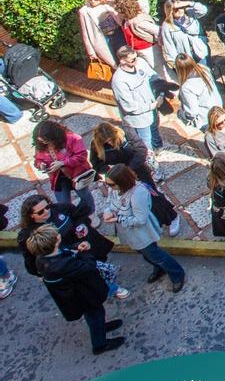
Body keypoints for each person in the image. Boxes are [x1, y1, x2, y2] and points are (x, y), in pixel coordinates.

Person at [24, 225, 124, 355]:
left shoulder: (45, 257)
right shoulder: (61, 265)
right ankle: (100, 344)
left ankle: (101, 328)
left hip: (77, 294)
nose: (59, 235)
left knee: (93, 315)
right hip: (84, 295)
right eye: (56, 235)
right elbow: (88, 266)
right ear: (55, 242)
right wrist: (84, 251)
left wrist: (76, 247)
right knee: (96, 314)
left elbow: (66, 250)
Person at [103, 164, 186, 292]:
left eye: (111, 184)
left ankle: (177, 274)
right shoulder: (114, 189)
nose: (109, 187)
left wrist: (118, 219)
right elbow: (111, 203)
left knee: (155, 254)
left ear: (122, 181)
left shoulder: (138, 192)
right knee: (145, 254)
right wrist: (108, 211)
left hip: (142, 233)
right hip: (129, 233)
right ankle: (159, 268)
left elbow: (140, 219)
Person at [110, 46, 165, 153]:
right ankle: (150, 164)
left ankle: (158, 148)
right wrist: (151, 106)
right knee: (145, 144)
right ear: (122, 61)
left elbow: (152, 76)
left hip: (151, 108)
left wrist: (161, 92)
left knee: (154, 129)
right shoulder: (119, 81)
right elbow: (129, 106)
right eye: (132, 60)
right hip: (139, 119)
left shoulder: (140, 62)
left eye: (136, 56)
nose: (136, 61)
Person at [32, 118, 93, 212]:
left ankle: (90, 212)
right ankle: (71, 218)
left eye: (45, 140)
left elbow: (81, 156)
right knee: (63, 203)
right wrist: (41, 165)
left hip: (77, 174)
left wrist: (63, 163)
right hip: (58, 179)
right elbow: (37, 160)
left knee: (84, 195)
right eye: (40, 141)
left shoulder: (72, 138)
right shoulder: (40, 145)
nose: (43, 143)